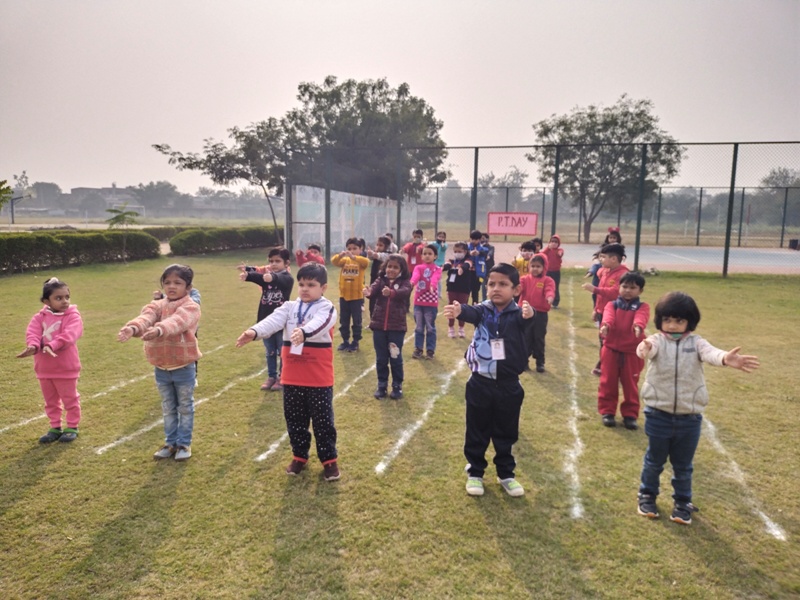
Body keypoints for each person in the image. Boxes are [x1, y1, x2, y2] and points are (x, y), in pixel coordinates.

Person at [635, 292, 759, 525]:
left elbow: (711, 353)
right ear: (660, 320)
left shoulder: (697, 342)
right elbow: (646, 350)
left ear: (689, 322)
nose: (673, 325)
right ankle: (647, 495)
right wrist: (644, 348)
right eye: (668, 320)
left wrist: (725, 358)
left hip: (688, 418)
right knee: (654, 460)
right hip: (657, 414)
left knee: (683, 465)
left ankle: (682, 502)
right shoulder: (657, 341)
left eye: (679, 321)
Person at [235, 263, 341, 481]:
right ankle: (299, 456)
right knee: (295, 420)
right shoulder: (289, 306)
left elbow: (321, 323)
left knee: (323, 423)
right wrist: (254, 332)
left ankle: (329, 462)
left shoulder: (327, 307)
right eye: (301, 284)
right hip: (291, 377)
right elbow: (272, 321)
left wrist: (304, 332)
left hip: (318, 378)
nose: (304, 289)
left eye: (311, 285)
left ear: (323, 287)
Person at [443, 264, 534, 497]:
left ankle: (506, 474)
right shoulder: (483, 310)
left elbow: (527, 323)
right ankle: (475, 472)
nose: (496, 289)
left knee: (506, 432)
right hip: (479, 383)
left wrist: (529, 315)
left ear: (516, 289)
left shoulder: (519, 314)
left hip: (509, 385)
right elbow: (471, 312)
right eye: (491, 284)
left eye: (503, 284)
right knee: (477, 430)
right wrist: (459, 310)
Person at [118, 264, 201, 461]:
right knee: (168, 407)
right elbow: (146, 317)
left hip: (183, 367)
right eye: (167, 282)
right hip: (161, 368)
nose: (171, 286)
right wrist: (132, 328)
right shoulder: (157, 305)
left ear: (188, 287)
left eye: (177, 283)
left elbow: (178, 321)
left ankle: (184, 444)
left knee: (185, 407)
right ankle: (170, 443)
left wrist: (158, 330)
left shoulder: (191, 306)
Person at [17, 277, 84, 444]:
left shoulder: (73, 316)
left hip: (66, 368)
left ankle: (72, 426)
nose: (64, 301)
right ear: (46, 301)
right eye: (58, 298)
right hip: (44, 368)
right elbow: (32, 333)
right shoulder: (39, 317)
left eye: (67, 297)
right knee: (50, 401)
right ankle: (55, 427)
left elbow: (69, 335)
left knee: (70, 399)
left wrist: (52, 345)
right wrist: (33, 346)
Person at [597, 271, 649, 429]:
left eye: (632, 288)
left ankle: (630, 414)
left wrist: (638, 327)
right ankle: (608, 412)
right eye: (624, 286)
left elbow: (641, 318)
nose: (627, 290)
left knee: (630, 384)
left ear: (640, 291)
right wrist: (606, 325)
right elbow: (608, 316)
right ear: (619, 287)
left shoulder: (642, 306)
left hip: (632, 353)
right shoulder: (611, 304)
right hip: (611, 350)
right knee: (608, 381)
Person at [239, 248, 294, 391]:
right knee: (269, 351)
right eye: (271, 261)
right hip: (265, 322)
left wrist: (272, 277)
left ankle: (283, 377)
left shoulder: (287, 278)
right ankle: (271, 376)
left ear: (286, 263)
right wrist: (248, 275)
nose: (274, 264)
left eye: (277, 261)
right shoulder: (267, 277)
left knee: (282, 351)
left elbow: (281, 279)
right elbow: (259, 277)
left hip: (281, 324)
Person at [363, 255, 412, 400]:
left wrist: (391, 293)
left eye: (395, 267)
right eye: (389, 266)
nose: (391, 269)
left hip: (396, 327)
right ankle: (382, 385)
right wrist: (369, 292)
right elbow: (373, 290)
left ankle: (397, 385)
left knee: (395, 357)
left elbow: (404, 292)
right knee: (381, 358)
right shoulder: (381, 280)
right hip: (379, 326)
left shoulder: (405, 282)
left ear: (401, 269)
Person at [582, 243, 629, 376]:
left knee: (610, 340)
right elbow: (600, 296)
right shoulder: (604, 271)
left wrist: (595, 289)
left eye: (603, 257)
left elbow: (615, 293)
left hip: (616, 312)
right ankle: (605, 364)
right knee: (603, 339)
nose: (600, 260)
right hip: (603, 312)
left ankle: (607, 365)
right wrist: (596, 310)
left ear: (614, 259)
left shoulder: (623, 274)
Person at [518, 254, 555, 373]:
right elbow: (518, 288)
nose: (535, 269)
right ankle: (524, 362)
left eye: (538, 266)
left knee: (539, 337)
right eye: (532, 266)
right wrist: (513, 291)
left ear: (544, 267)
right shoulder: (524, 279)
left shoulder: (547, 280)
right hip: (525, 312)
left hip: (540, 313)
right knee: (525, 337)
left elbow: (549, 290)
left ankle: (540, 362)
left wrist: (550, 297)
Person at [331, 238, 369, 352]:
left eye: (355, 249)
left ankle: (355, 341)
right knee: (344, 320)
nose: (351, 251)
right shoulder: (345, 261)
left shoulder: (361, 260)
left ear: (361, 249)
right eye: (349, 249)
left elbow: (366, 262)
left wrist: (354, 257)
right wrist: (340, 255)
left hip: (356, 297)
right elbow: (334, 262)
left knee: (356, 320)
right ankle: (345, 341)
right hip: (344, 296)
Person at [410, 244, 442, 359]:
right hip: (418, 302)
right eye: (425, 254)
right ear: (421, 256)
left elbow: (435, 278)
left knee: (430, 327)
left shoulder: (437, 269)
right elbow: (416, 276)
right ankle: (418, 349)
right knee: (419, 327)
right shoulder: (418, 267)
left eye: (430, 254)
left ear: (435, 256)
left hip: (431, 303)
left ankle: (430, 350)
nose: (427, 256)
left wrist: (432, 285)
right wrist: (412, 283)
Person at [442, 242, 474, 338]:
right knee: (451, 307)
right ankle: (451, 327)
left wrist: (462, 269)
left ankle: (461, 327)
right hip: (452, 288)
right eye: (455, 251)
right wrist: (442, 268)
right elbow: (446, 265)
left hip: (464, 289)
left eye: (459, 251)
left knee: (462, 308)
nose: (457, 253)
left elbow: (467, 265)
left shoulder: (469, 260)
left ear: (465, 251)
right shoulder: (451, 261)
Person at [366, 236, 391, 319]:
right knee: (372, 300)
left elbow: (379, 256)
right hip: (374, 280)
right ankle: (372, 319)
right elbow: (370, 257)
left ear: (386, 247)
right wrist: (370, 253)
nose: (378, 247)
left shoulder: (388, 255)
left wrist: (373, 253)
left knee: (382, 301)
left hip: (383, 282)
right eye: (377, 244)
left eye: (380, 245)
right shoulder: (376, 253)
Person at [467, 230, 489, 304]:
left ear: (479, 240)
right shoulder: (467, 248)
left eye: (476, 239)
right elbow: (463, 253)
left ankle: (475, 306)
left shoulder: (483, 248)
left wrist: (479, 253)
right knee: (466, 291)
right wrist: (469, 253)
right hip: (468, 272)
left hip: (478, 273)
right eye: (472, 239)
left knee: (475, 291)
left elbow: (486, 253)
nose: (474, 241)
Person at [542, 234, 564, 308]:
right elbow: (542, 254)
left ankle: (555, 303)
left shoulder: (559, 250)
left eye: (556, 242)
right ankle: (545, 300)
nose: (554, 243)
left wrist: (559, 253)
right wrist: (548, 248)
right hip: (547, 271)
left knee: (555, 287)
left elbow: (560, 253)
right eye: (552, 241)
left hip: (556, 272)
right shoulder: (547, 250)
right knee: (545, 286)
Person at [480, 233, 495, 301]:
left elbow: (490, 254)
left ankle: (488, 298)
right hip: (481, 268)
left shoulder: (491, 247)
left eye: (483, 238)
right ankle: (484, 299)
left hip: (489, 268)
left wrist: (488, 256)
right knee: (482, 284)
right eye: (481, 238)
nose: (481, 240)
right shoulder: (478, 247)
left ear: (487, 239)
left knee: (487, 283)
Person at [432, 231, 448, 295]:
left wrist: (442, 243)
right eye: (440, 236)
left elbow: (444, 248)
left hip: (440, 264)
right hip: (433, 263)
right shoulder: (433, 244)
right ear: (436, 237)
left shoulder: (444, 244)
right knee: (432, 278)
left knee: (438, 279)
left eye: (443, 237)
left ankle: (439, 294)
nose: (441, 238)